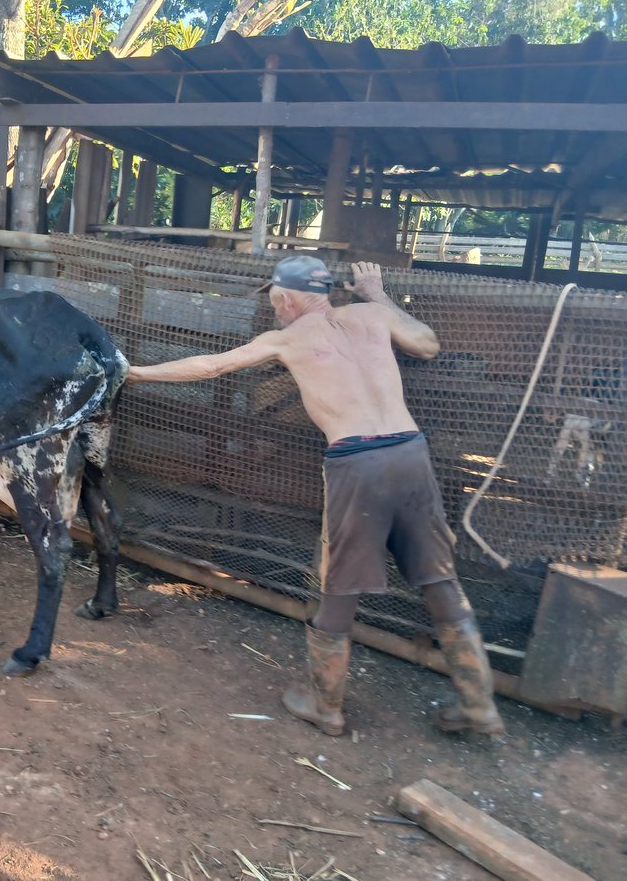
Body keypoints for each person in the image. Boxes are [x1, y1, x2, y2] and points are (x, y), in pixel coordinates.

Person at [127, 255, 505, 738]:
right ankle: (479, 708)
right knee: (439, 580)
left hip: (357, 464)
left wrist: (136, 373)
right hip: (411, 455)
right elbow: (428, 344)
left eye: (273, 299)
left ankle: (325, 705)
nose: (274, 306)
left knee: (338, 583)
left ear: (284, 298)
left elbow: (211, 365)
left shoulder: (286, 338)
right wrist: (378, 293)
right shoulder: (372, 314)